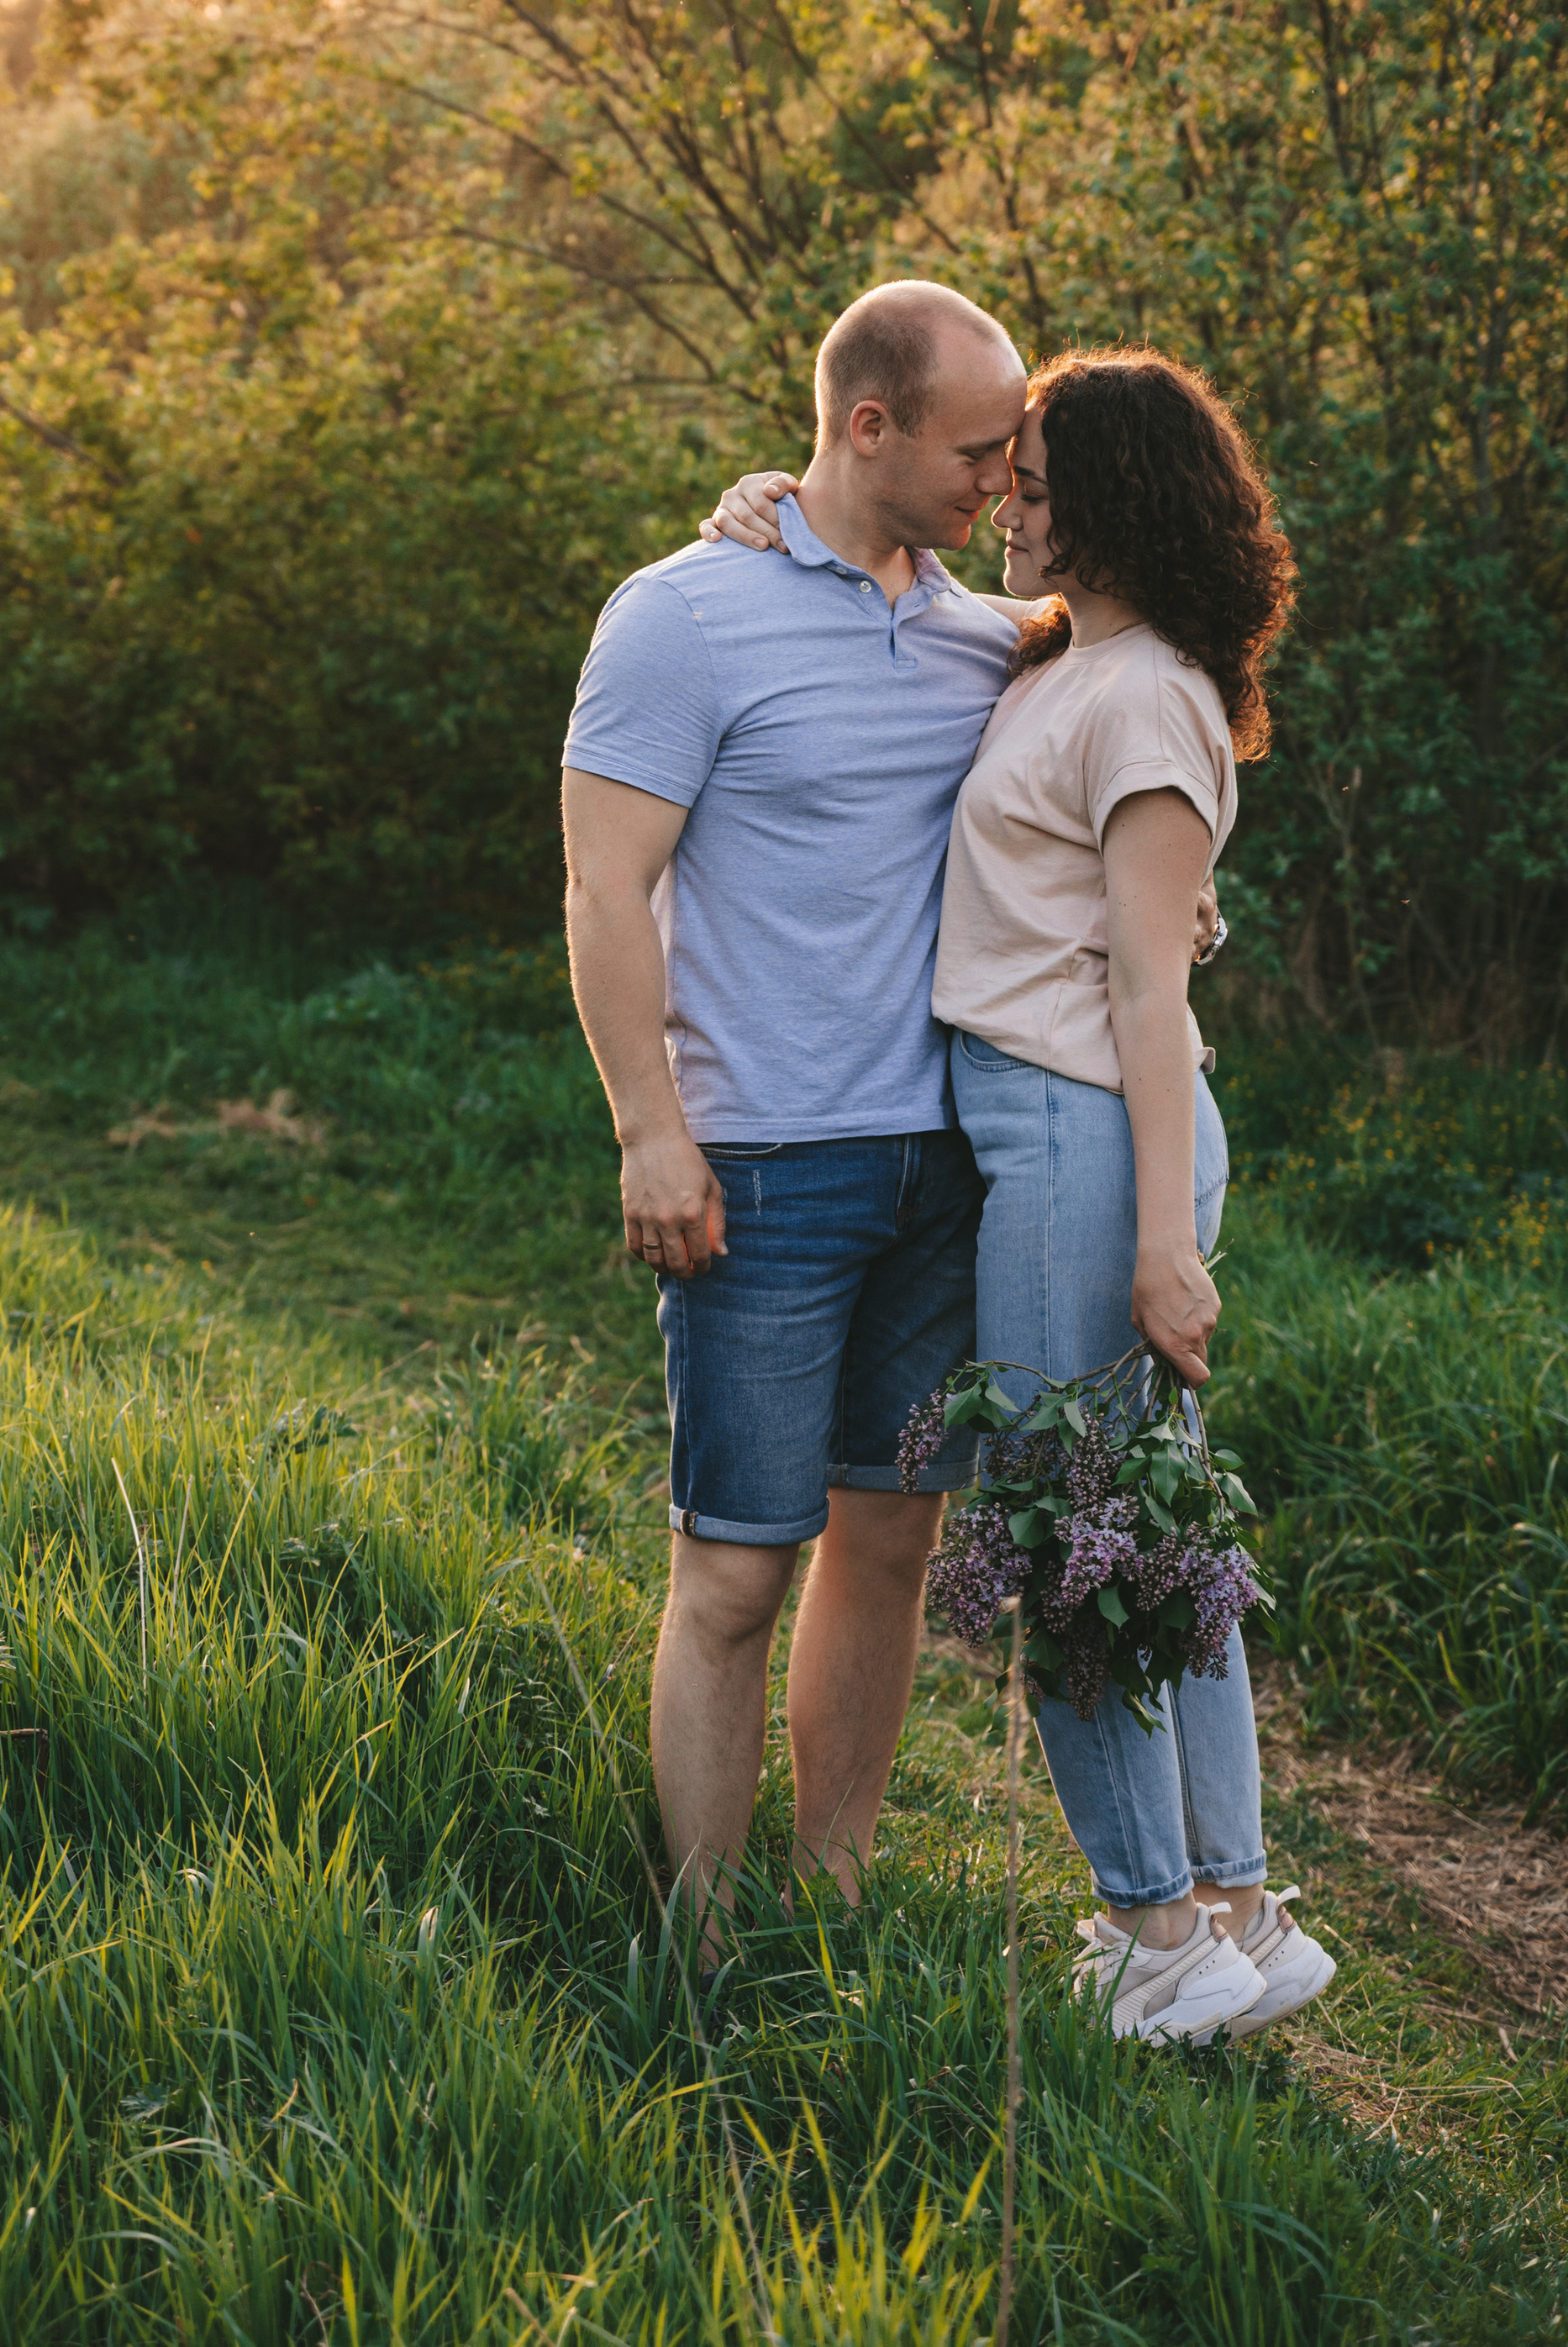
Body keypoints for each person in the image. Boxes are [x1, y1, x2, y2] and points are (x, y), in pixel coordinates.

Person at [706, 346, 1338, 2046]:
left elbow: (1147, 987)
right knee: (1158, 1537)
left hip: (1081, 1133)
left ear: (1118, 506)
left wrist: (1150, 1245)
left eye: (1038, 481)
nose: (1003, 501)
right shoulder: (1076, 656)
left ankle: (1149, 1934)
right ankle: (1236, 1910)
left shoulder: (1138, 698)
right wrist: (765, 512)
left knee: (1071, 1541)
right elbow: (875, 593)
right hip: (1070, 1124)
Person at [560, 281, 1028, 1952]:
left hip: (945, 1167)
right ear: (867, 424)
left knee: (888, 1544)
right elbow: (604, 889)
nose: (1003, 471)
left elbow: (1113, 763)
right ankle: (693, 1938)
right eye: (979, 445)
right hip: (755, 1163)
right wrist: (647, 1128)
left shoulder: (986, 637)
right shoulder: (681, 615)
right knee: (735, 1568)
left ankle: (824, 1901)